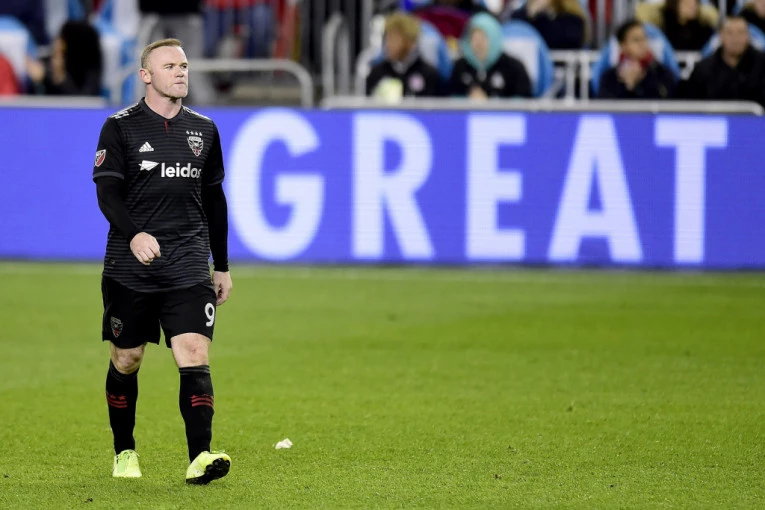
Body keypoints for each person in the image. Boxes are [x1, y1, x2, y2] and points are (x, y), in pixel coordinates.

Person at [92, 38, 233, 484]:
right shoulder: (120, 127)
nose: (181, 71)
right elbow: (107, 193)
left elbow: (214, 200)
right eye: (169, 65)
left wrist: (221, 264)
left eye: (184, 65)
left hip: (188, 262)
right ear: (146, 76)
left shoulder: (205, 130)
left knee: (193, 351)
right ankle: (124, 451)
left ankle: (200, 456)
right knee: (127, 358)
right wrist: (134, 235)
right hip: (129, 267)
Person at [680, 16, 765, 106]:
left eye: (741, 32)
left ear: (748, 36)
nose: (735, 39)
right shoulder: (703, 70)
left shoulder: (762, 65)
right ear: (721, 36)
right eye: (730, 33)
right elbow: (692, 105)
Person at [449, 12, 532, 99]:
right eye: (474, 38)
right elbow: (450, 98)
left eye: (483, 38)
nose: (478, 44)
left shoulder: (513, 68)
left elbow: (524, 100)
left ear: (493, 38)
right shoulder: (460, 67)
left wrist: (490, 102)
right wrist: (468, 101)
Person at [367, 12, 443, 100]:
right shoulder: (376, 73)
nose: (388, 44)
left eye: (394, 39)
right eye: (387, 38)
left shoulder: (429, 74)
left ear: (410, 42)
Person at [597, 20, 676, 99]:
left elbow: (667, 99)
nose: (642, 44)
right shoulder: (610, 77)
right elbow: (605, 102)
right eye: (636, 40)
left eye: (644, 38)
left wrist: (641, 81)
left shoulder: (662, 73)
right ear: (623, 45)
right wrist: (627, 86)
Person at [27, 20, 103, 96]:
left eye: (62, 39)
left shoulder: (90, 72)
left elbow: (84, 99)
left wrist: (61, 79)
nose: (57, 42)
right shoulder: (45, 64)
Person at [635, 0, 718, 50]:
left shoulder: (703, 29)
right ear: (676, 4)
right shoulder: (663, 26)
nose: (692, 7)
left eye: (695, 4)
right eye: (687, 3)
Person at [507, 0, 589, 49]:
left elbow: (560, 40)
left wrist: (540, 17)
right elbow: (515, 32)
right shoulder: (521, 15)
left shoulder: (573, 20)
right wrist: (530, 14)